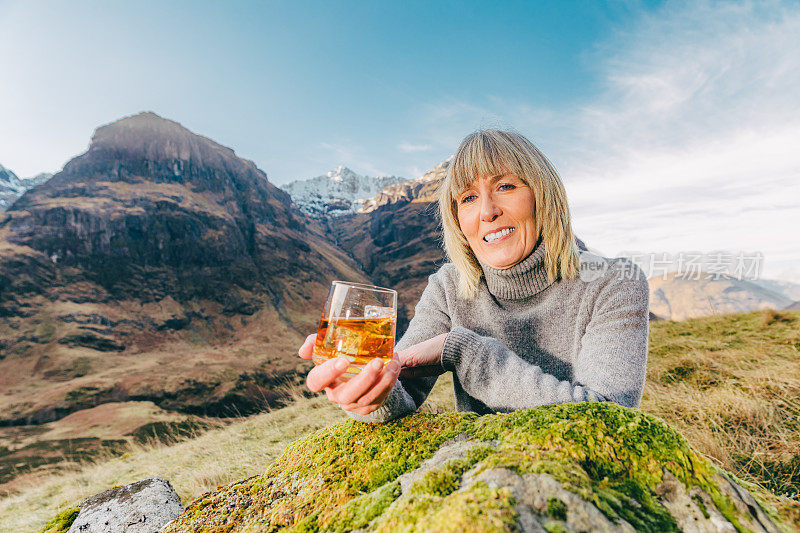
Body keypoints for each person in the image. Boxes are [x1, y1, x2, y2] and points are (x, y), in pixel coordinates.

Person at [297, 129, 650, 423]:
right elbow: (396, 385)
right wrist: (368, 392)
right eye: (468, 198)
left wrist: (465, 352)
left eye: (506, 187)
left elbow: (609, 420)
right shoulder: (449, 286)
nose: (487, 211)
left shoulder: (613, 283)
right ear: (456, 219)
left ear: (544, 197)